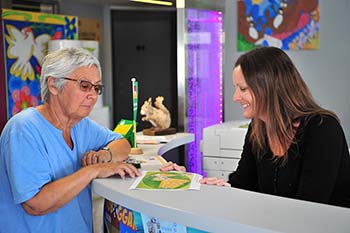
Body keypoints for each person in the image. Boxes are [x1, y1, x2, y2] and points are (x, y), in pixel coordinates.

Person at [162, 47, 350, 208]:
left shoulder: (322, 128)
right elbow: (243, 184)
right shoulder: (259, 127)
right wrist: (192, 181)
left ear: (269, 87)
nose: (235, 97)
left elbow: (309, 206)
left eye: (243, 89)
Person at [0, 47, 141, 233]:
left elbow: (123, 143)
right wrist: (94, 170)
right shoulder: (23, 128)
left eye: (97, 87)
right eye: (84, 86)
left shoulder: (81, 125)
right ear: (53, 85)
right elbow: (35, 204)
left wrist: (106, 155)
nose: (92, 95)